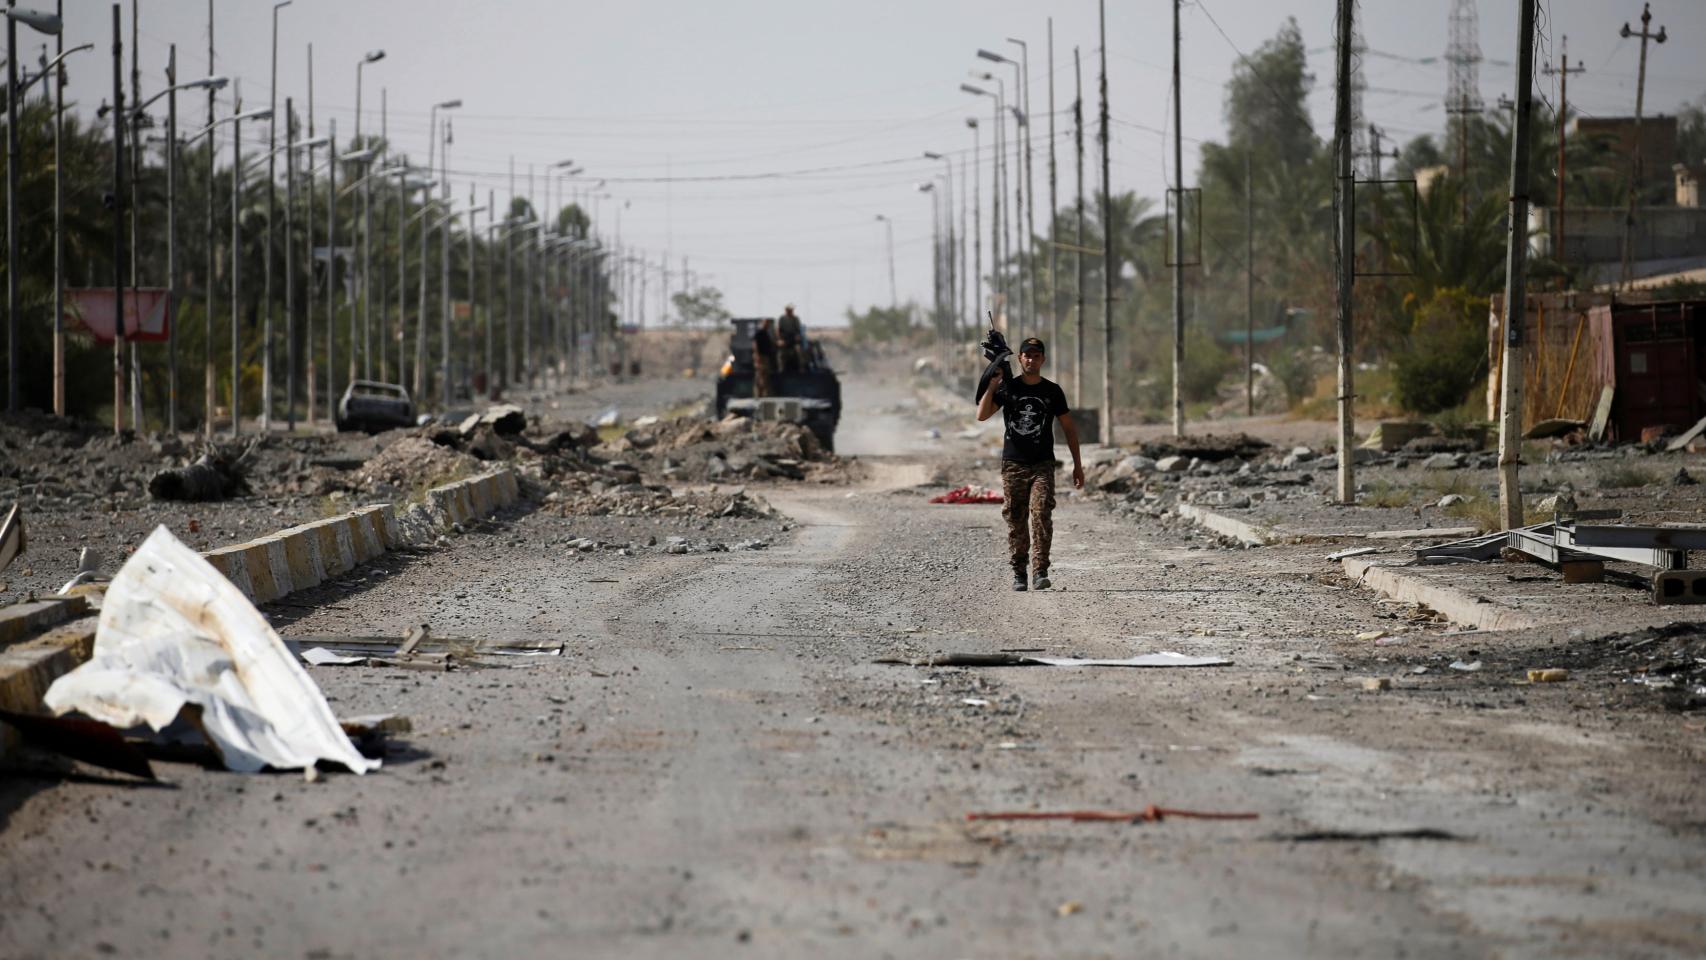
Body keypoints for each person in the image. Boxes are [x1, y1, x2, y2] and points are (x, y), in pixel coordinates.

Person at [975, 337, 1084, 591]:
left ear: (1043, 360)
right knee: (1015, 517)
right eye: (1027, 355)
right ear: (1020, 358)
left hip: (1042, 464)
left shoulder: (1052, 391)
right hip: (1013, 464)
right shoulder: (1008, 388)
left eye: (1036, 356)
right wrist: (992, 385)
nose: (1031, 359)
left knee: (1041, 512)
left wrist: (1078, 466)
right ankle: (1019, 572)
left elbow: (1069, 429)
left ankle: (1040, 570)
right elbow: (981, 415)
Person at [751, 317, 778, 398]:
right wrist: (757, 357)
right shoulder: (759, 333)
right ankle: (760, 395)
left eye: (767, 324)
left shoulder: (766, 333)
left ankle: (764, 394)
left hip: (765, 357)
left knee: (765, 376)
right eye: (765, 323)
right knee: (760, 376)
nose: (767, 325)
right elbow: (755, 345)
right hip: (761, 358)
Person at [777, 304, 804, 373]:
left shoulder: (796, 318)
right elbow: (779, 330)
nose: (790, 311)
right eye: (788, 310)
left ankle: (800, 369)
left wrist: (797, 337)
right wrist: (780, 339)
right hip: (784, 339)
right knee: (781, 354)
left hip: (793, 339)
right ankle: (781, 370)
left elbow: (798, 330)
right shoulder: (782, 319)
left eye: (791, 310)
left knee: (798, 352)